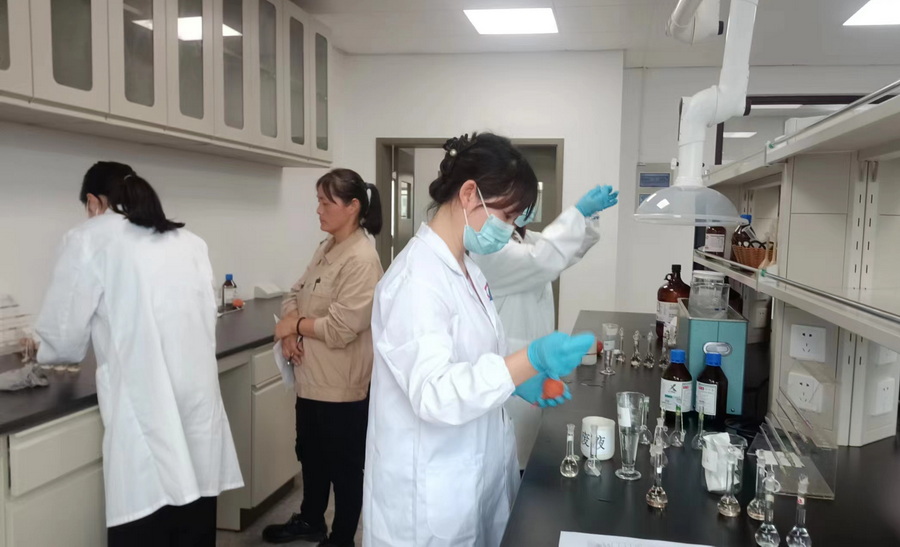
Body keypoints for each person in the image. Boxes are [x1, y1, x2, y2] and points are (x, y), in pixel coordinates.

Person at [363, 133, 595, 547]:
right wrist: (528, 359)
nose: (510, 229)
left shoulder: (467, 268)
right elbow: (434, 393)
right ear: (469, 194)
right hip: (428, 503)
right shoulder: (416, 280)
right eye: (507, 216)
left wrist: (519, 379)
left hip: (473, 480)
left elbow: (475, 351)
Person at [32, 161, 243, 546]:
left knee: (147, 514)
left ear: (94, 202)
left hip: (144, 410)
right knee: (193, 522)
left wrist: (37, 349)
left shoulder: (89, 238)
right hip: (196, 404)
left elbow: (63, 340)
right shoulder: (190, 242)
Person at [264, 169, 384, 547]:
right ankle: (311, 520)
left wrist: (295, 325)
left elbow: (342, 328)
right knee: (311, 457)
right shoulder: (327, 247)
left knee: (344, 469)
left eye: (325, 202)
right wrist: (290, 331)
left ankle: (341, 538)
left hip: (342, 389)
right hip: (310, 380)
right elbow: (294, 293)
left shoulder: (362, 259)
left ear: (352, 207)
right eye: (318, 200)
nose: (318, 209)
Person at [471, 183, 618, 469]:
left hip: (533, 366)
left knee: (530, 449)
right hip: (510, 365)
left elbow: (568, 251)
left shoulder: (524, 239)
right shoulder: (489, 253)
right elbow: (542, 261)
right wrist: (577, 212)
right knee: (514, 454)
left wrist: (589, 216)